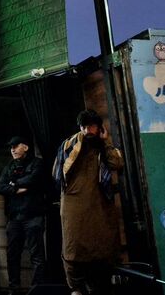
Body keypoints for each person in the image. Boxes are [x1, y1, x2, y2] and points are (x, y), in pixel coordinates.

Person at [53, 110, 124, 295]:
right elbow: (57, 173)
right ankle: (76, 288)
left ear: (99, 127)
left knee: (101, 247)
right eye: (83, 127)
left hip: (99, 204)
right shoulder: (69, 145)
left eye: (91, 126)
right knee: (73, 248)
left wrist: (106, 142)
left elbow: (117, 163)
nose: (87, 131)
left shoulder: (102, 146)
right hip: (73, 204)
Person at [0, 136, 46, 293]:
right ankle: (14, 289)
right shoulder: (9, 166)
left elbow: (34, 179)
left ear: (25, 147)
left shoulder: (37, 163)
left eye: (16, 146)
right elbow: (0, 187)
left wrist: (14, 183)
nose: (12, 149)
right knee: (12, 255)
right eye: (11, 147)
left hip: (33, 216)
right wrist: (16, 189)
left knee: (36, 255)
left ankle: (37, 289)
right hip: (14, 217)